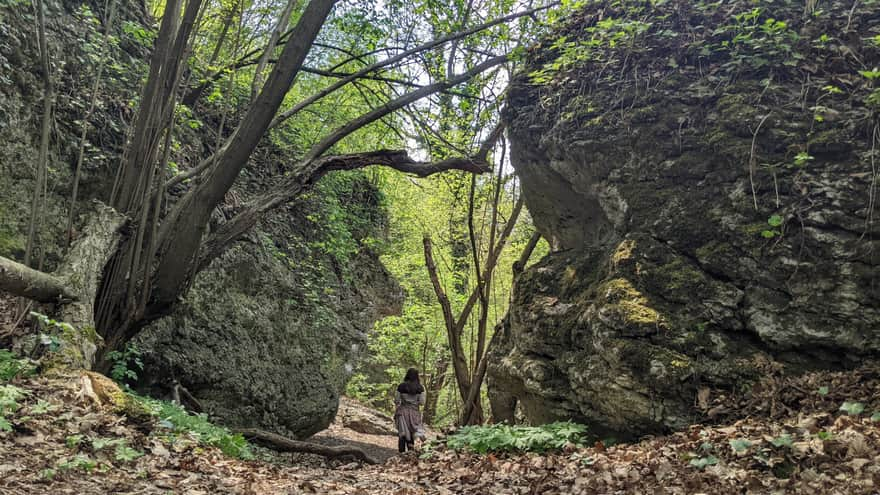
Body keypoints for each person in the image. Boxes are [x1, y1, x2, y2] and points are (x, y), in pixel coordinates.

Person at [394, 368, 426, 453]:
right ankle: (410, 453)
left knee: (402, 434)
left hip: (402, 412)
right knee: (413, 433)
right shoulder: (420, 388)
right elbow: (422, 402)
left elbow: (396, 400)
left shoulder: (401, 386)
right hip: (415, 413)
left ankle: (401, 453)